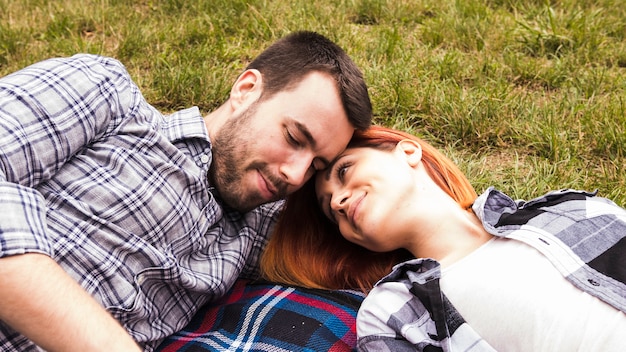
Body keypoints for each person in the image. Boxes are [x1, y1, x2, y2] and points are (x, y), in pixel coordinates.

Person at [0, 31, 372, 351]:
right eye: (293, 137)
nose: (295, 175)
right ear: (246, 90)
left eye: (317, 167)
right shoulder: (108, 96)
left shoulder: (260, 233)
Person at [261, 125, 626, 351]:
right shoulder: (390, 313)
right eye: (330, 210)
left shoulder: (572, 209)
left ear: (407, 151)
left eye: (344, 171)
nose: (338, 201)